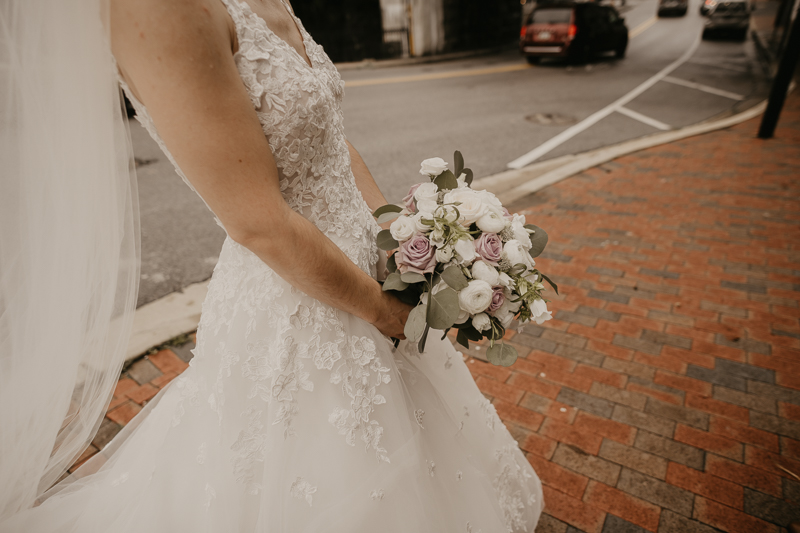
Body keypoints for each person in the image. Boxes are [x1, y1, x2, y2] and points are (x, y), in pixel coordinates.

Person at [0, 0, 543, 530]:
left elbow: (330, 141)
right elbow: (259, 222)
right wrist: (382, 312)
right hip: (298, 295)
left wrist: (395, 242)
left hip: (370, 269)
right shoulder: (158, 9)